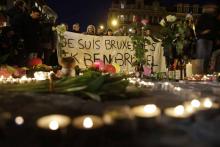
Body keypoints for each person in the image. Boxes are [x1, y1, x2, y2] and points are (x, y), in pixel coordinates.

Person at [195, 4, 217, 73]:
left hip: (208, 40)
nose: (212, 9)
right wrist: (203, 32)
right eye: (211, 8)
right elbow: (197, 29)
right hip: (203, 39)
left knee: (206, 58)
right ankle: (200, 72)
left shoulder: (212, 17)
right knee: (201, 58)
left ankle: (203, 72)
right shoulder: (203, 17)